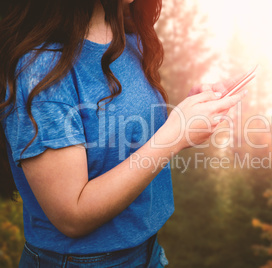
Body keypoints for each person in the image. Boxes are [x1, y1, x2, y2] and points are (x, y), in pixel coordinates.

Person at [0, 0, 246, 267]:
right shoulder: (42, 69)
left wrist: (189, 115)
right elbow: (73, 214)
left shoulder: (126, 34)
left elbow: (126, 138)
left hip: (148, 252)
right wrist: (175, 135)